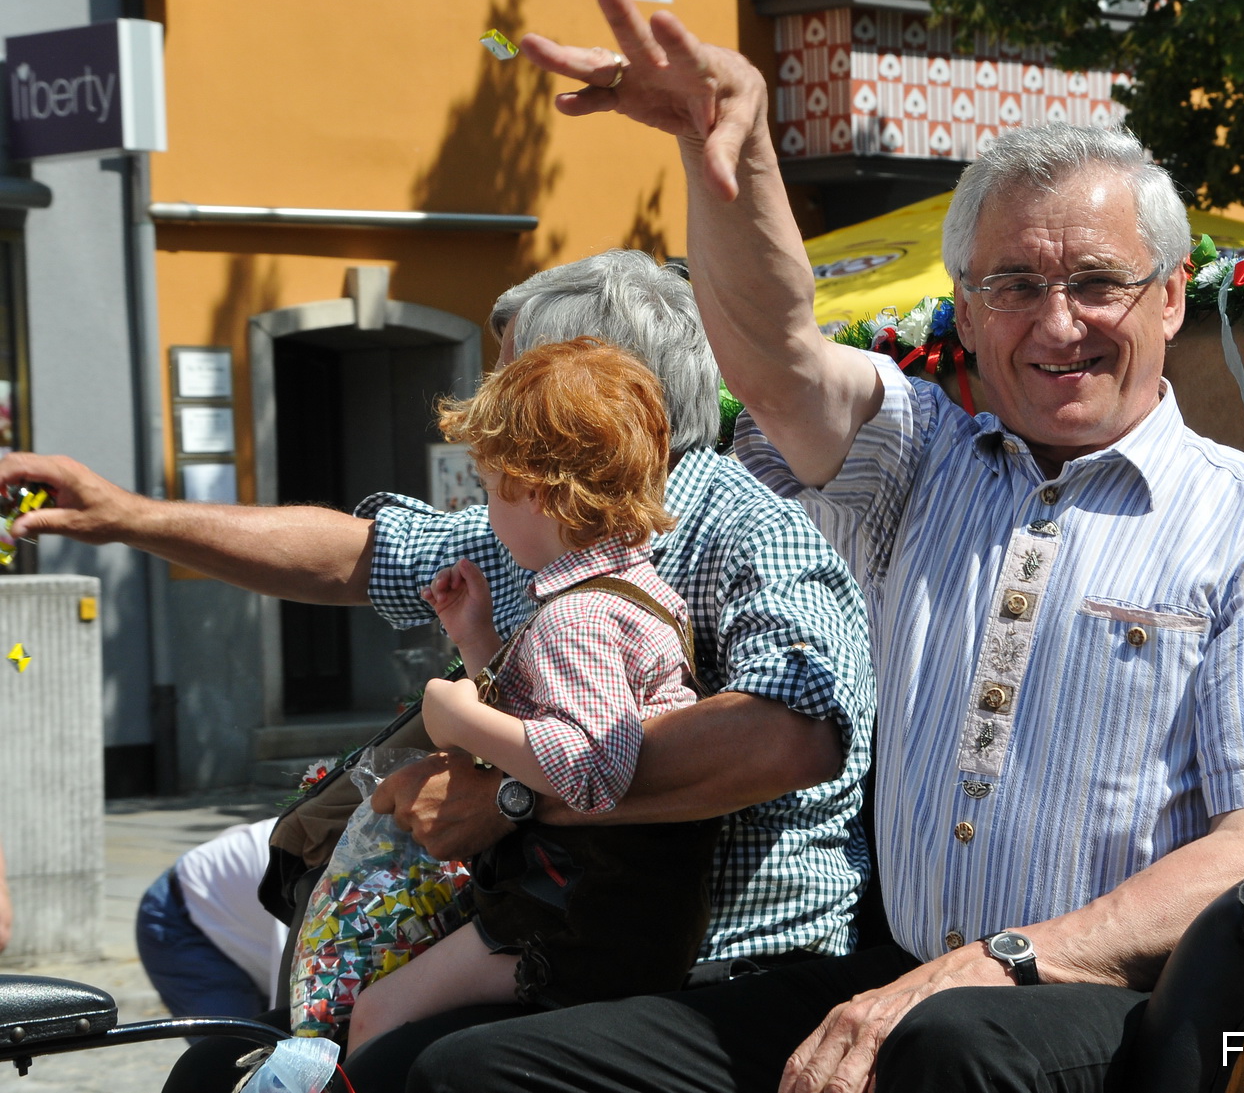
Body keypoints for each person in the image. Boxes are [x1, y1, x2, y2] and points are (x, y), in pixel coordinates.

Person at [402, 0, 1244, 1093]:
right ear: (964, 310)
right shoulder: (925, 461)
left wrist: (1008, 960)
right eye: (1012, 284)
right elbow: (775, 362)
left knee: (946, 1046)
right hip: (902, 970)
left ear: (1168, 298)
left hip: (1128, 1003)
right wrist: (727, 146)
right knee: (474, 1073)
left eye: (1097, 282)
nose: (1057, 321)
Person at [0, 250, 875, 1091]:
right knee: (217, 1065)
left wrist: (509, 795)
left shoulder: (749, 530)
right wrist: (128, 516)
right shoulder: (541, 525)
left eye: (511, 380)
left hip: (721, 959)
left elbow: (791, 736)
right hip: (557, 923)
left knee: (418, 1069)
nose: (489, 406)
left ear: (585, 400)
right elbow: (368, 552)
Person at [349, 338, 710, 1052]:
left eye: (487, 486)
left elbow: (588, 772)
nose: (485, 509)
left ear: (535, 489)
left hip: (581, 918)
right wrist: (478, 639)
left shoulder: (575, 617)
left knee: (376, 1016)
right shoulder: (634, 593)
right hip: (629, 912)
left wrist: (455, 714)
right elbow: (562, 719)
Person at [136, 818, 287, 1019]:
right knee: (236, 1046)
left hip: (239, 918)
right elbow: (293, 998)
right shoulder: (318, 872)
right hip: (182, 919)